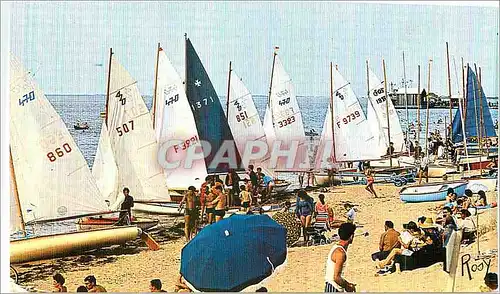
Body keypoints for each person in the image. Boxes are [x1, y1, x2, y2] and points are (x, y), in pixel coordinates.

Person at [324, 222, 357, 292]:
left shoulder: (337, 248)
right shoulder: (340, 253)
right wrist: (348, 286)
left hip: (332, 287)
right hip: (333, 288)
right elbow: (336, 278)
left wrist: (348, 284)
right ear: (351, 236)